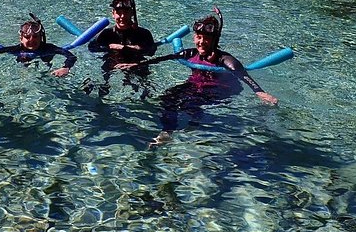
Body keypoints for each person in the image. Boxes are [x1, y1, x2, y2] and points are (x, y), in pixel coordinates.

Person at [116, 8, 278, 145]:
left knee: (190, 103)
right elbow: (163, 59)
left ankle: (193, 126)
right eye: (198, 37)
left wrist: (259, 92)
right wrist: (136, 65)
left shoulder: (225, 60)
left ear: (214, 40)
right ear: (194, 37)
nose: (201, 42)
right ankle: (167, 131)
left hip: (221, 88)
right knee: (168, 98)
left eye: (206, 38)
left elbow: (242, 74)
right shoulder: (190, 53)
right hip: (196, 84)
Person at [86, 0, 156, 95]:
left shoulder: (143, 33)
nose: (122, 17)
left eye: (126, 13)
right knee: (96, 86)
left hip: (136, 64)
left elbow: (150, 51)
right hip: (112, 62)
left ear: (132, 13)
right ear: (113, 14)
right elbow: (92, 48)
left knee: (142, 91)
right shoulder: (107, 33)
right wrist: (108, 47)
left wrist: (124, 48)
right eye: (119, 13)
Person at [0, 13, 76, 77]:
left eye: (35, 37)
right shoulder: (15, 49)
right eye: (27, 37)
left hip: (45, 66)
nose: (32, 40)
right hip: (24, 70)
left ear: (41, 37)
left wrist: (65, 68)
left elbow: (71, 56)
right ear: (21, 39)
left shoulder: (49, 48)